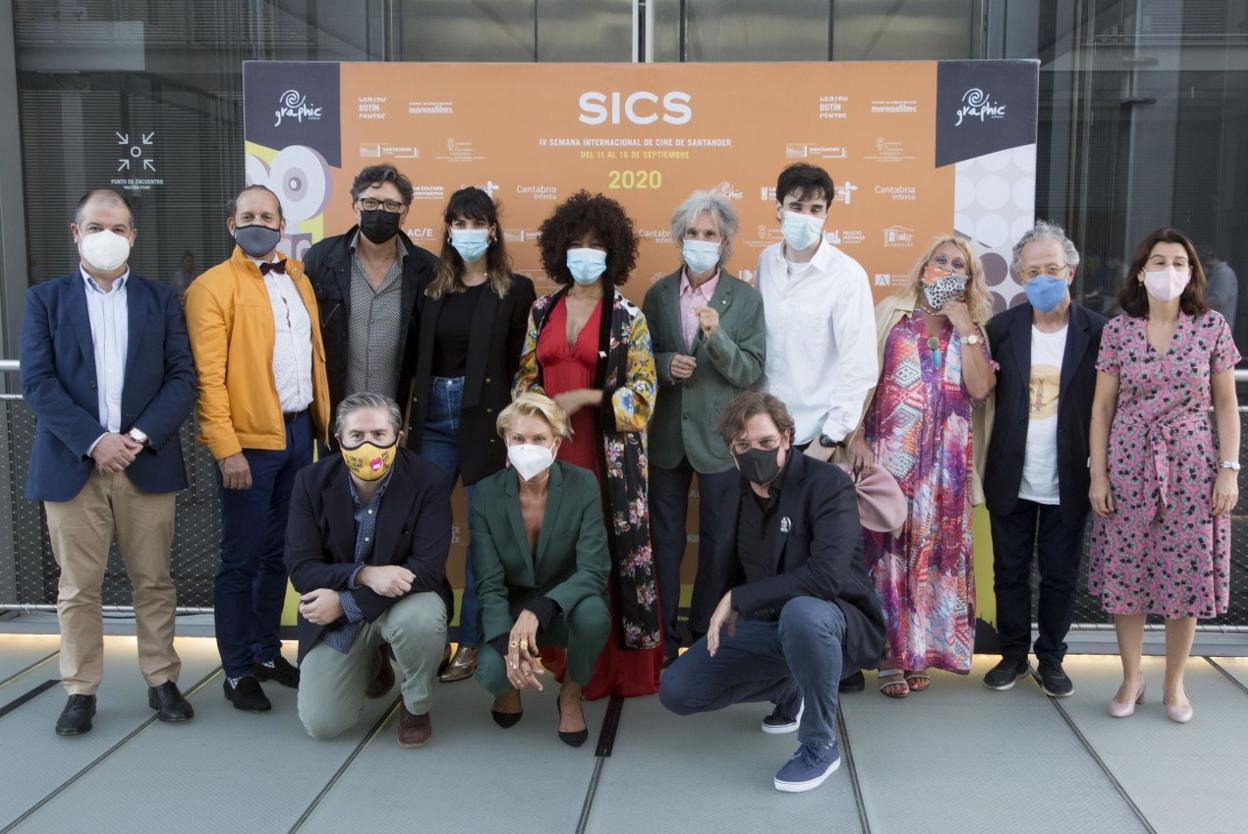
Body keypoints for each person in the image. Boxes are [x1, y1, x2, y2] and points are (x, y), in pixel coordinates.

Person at [21, 189, 197, 736]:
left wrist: (135, 438)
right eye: (97, 226)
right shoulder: (44, 300)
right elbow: (38, 383)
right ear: (75, 233)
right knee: (78, 586)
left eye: (118, 227)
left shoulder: (160, 300)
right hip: (74, 465)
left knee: (155, 580)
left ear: (133, 237)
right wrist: (97, 441)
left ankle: (162, 679)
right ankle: (80, 689)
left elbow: (182, 378)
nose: (107, 236)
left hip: (144, 463)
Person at [659, 392, 886, 793]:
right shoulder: (734, 493)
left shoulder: (828, 484)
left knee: (803, 613)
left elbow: (826, 579)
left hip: (838, 625)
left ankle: (819, 745)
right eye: (743, 446)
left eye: (765, 443)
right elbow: (724, 570)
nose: (755, 453)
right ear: (731, 451)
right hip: (767, 626)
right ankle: (790, 686)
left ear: (786, 438)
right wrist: (709, 631)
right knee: (678, 692)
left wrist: (738, 600)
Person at [185, 184, 331, 712]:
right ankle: (237, 667)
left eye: (267, 216)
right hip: (247, 445)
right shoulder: (211, 287)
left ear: (281, 222)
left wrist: (322, 425)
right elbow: (209, 379)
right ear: (231, 225)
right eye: (248, 216)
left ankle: (268, 652)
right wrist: (226, 449)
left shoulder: (297, 278)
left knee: (279, 556)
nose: (258, 223)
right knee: (241, 558)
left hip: (299, 436)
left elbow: (310, 357)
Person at [515, 190, 663, 699]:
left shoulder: (630, 317)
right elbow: (524, 380)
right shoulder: (542, 309)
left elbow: (643, 398)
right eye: (575, 244)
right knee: (557, 553)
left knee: (607, 556)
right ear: (560, 249)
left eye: (595, 243)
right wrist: (537, 416)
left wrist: (585, 396)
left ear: (613, 251)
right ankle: (560, 657)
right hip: (549, 456)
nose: (584, 253)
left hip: (607, 462)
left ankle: (611, 669)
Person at [1089, 227, 1240, 724]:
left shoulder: (1212, 326)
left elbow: (1225, 403)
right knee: (1127, 569)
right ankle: (1132, 678)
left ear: (1193, 272)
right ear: (1140, 270)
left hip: (1193, 464)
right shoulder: (1118, 330)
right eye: (1158, 261)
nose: (1168, 271)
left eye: (1179, 262)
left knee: (1186, 572)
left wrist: (1228, 471)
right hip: (1129, 458)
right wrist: (1099, 474)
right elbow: (1102, 406)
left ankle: (1175, 683)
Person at [850, 234, 997, 697]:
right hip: (891, 458)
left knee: (936, 556)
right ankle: (890, 656)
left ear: (969, 279)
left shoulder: (971, 327)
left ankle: (920, 652)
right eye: (942, 260)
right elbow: (860, 378)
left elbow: (979, 389)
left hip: (946, 469)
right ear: (924, 266)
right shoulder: (893, 313)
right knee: (887, 556)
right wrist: (855, 436)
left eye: (960, 265)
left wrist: (964, 323)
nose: (949, 269)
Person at [404, 187, 536, 684]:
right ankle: (429, 635)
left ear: (493, 230)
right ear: (448, 230)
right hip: (433, 415)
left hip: (488, 422)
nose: (468, 232)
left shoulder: (514, 289)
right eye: (458, 223)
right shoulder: (432, 286)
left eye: (476, 222)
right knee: (427, 536)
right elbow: (412, 361)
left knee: (485, 539)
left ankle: (474, 641)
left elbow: (521, 367)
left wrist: (516, 431)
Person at [285, 393, 452, 747]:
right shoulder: (310, 481)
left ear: (398, 435)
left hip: (403, 601)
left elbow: (425, 570)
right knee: (323, 724)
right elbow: (302, 569)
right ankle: (373, 662)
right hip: (343, 606)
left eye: (379, 434)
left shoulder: (429, 481)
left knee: (420, 620)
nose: (368, 445)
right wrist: (363, 575)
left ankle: (416, 705)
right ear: (338, 439)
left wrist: (346, 602)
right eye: (356, 436)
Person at [982, 221, 1106, 697]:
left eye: (1052, 268)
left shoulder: (1098, 332)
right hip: (1011, 471)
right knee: (1009, 571)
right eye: (1033, 271)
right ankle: (1012, 655)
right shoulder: (1002, 329)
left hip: (1071, 475)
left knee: (1059, 572)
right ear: (1019, 275)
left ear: (1070, 272)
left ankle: (1052, 657)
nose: (1043, 278)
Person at [642, 191, 765, 664]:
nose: (699, 241)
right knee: (663, 540)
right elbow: (640, 357)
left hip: (720, 442)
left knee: (719, 544)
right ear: (679, 238)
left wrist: (717, 337)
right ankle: (662, 636)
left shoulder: (746, 299)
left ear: (725, 241)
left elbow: (750, 372)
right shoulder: (657, 294)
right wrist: (665, 362)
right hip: (667, 439)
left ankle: (704, 635)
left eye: (709, 234)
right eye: (692, 233)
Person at [471, 393, 610, 747]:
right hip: (512, 608)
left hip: (564, 606)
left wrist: (542, 607)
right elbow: (488, 584)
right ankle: (510, 685)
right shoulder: (486, 494)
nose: (527, 447)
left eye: (538, 439)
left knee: (595, 614)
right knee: (490, 673)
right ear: (506, 440)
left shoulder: (583, 485)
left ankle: (570, 694)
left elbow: (593, 570)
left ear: (556, 443)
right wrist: (507, 647)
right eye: (518, 439)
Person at [755, 163, 877, 462]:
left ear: (826, 214)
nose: (805, 217)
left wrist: (830, 438)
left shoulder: (848, 275)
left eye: (815, 209)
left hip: (813, 436)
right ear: (778, 209)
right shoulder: (766, 261)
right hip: (761, 429)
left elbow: (858, 367)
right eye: (796, 206)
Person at [303, 163, 437, 425]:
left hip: (394, 421)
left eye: (391, 205)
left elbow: (427, 354)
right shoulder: (321, 259)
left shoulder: (427, 270)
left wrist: (410, 420)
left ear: (405, 213)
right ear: (355, 207)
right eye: (371, 203)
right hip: (336, 419)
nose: (380, 211)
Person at [1200, 245, 1238, 327]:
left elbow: (1219, 300)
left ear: (1208, 260)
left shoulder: (1223, 273)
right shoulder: (1214, 273)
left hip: (1219, 324)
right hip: (1212, 323)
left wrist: (1197, 303)